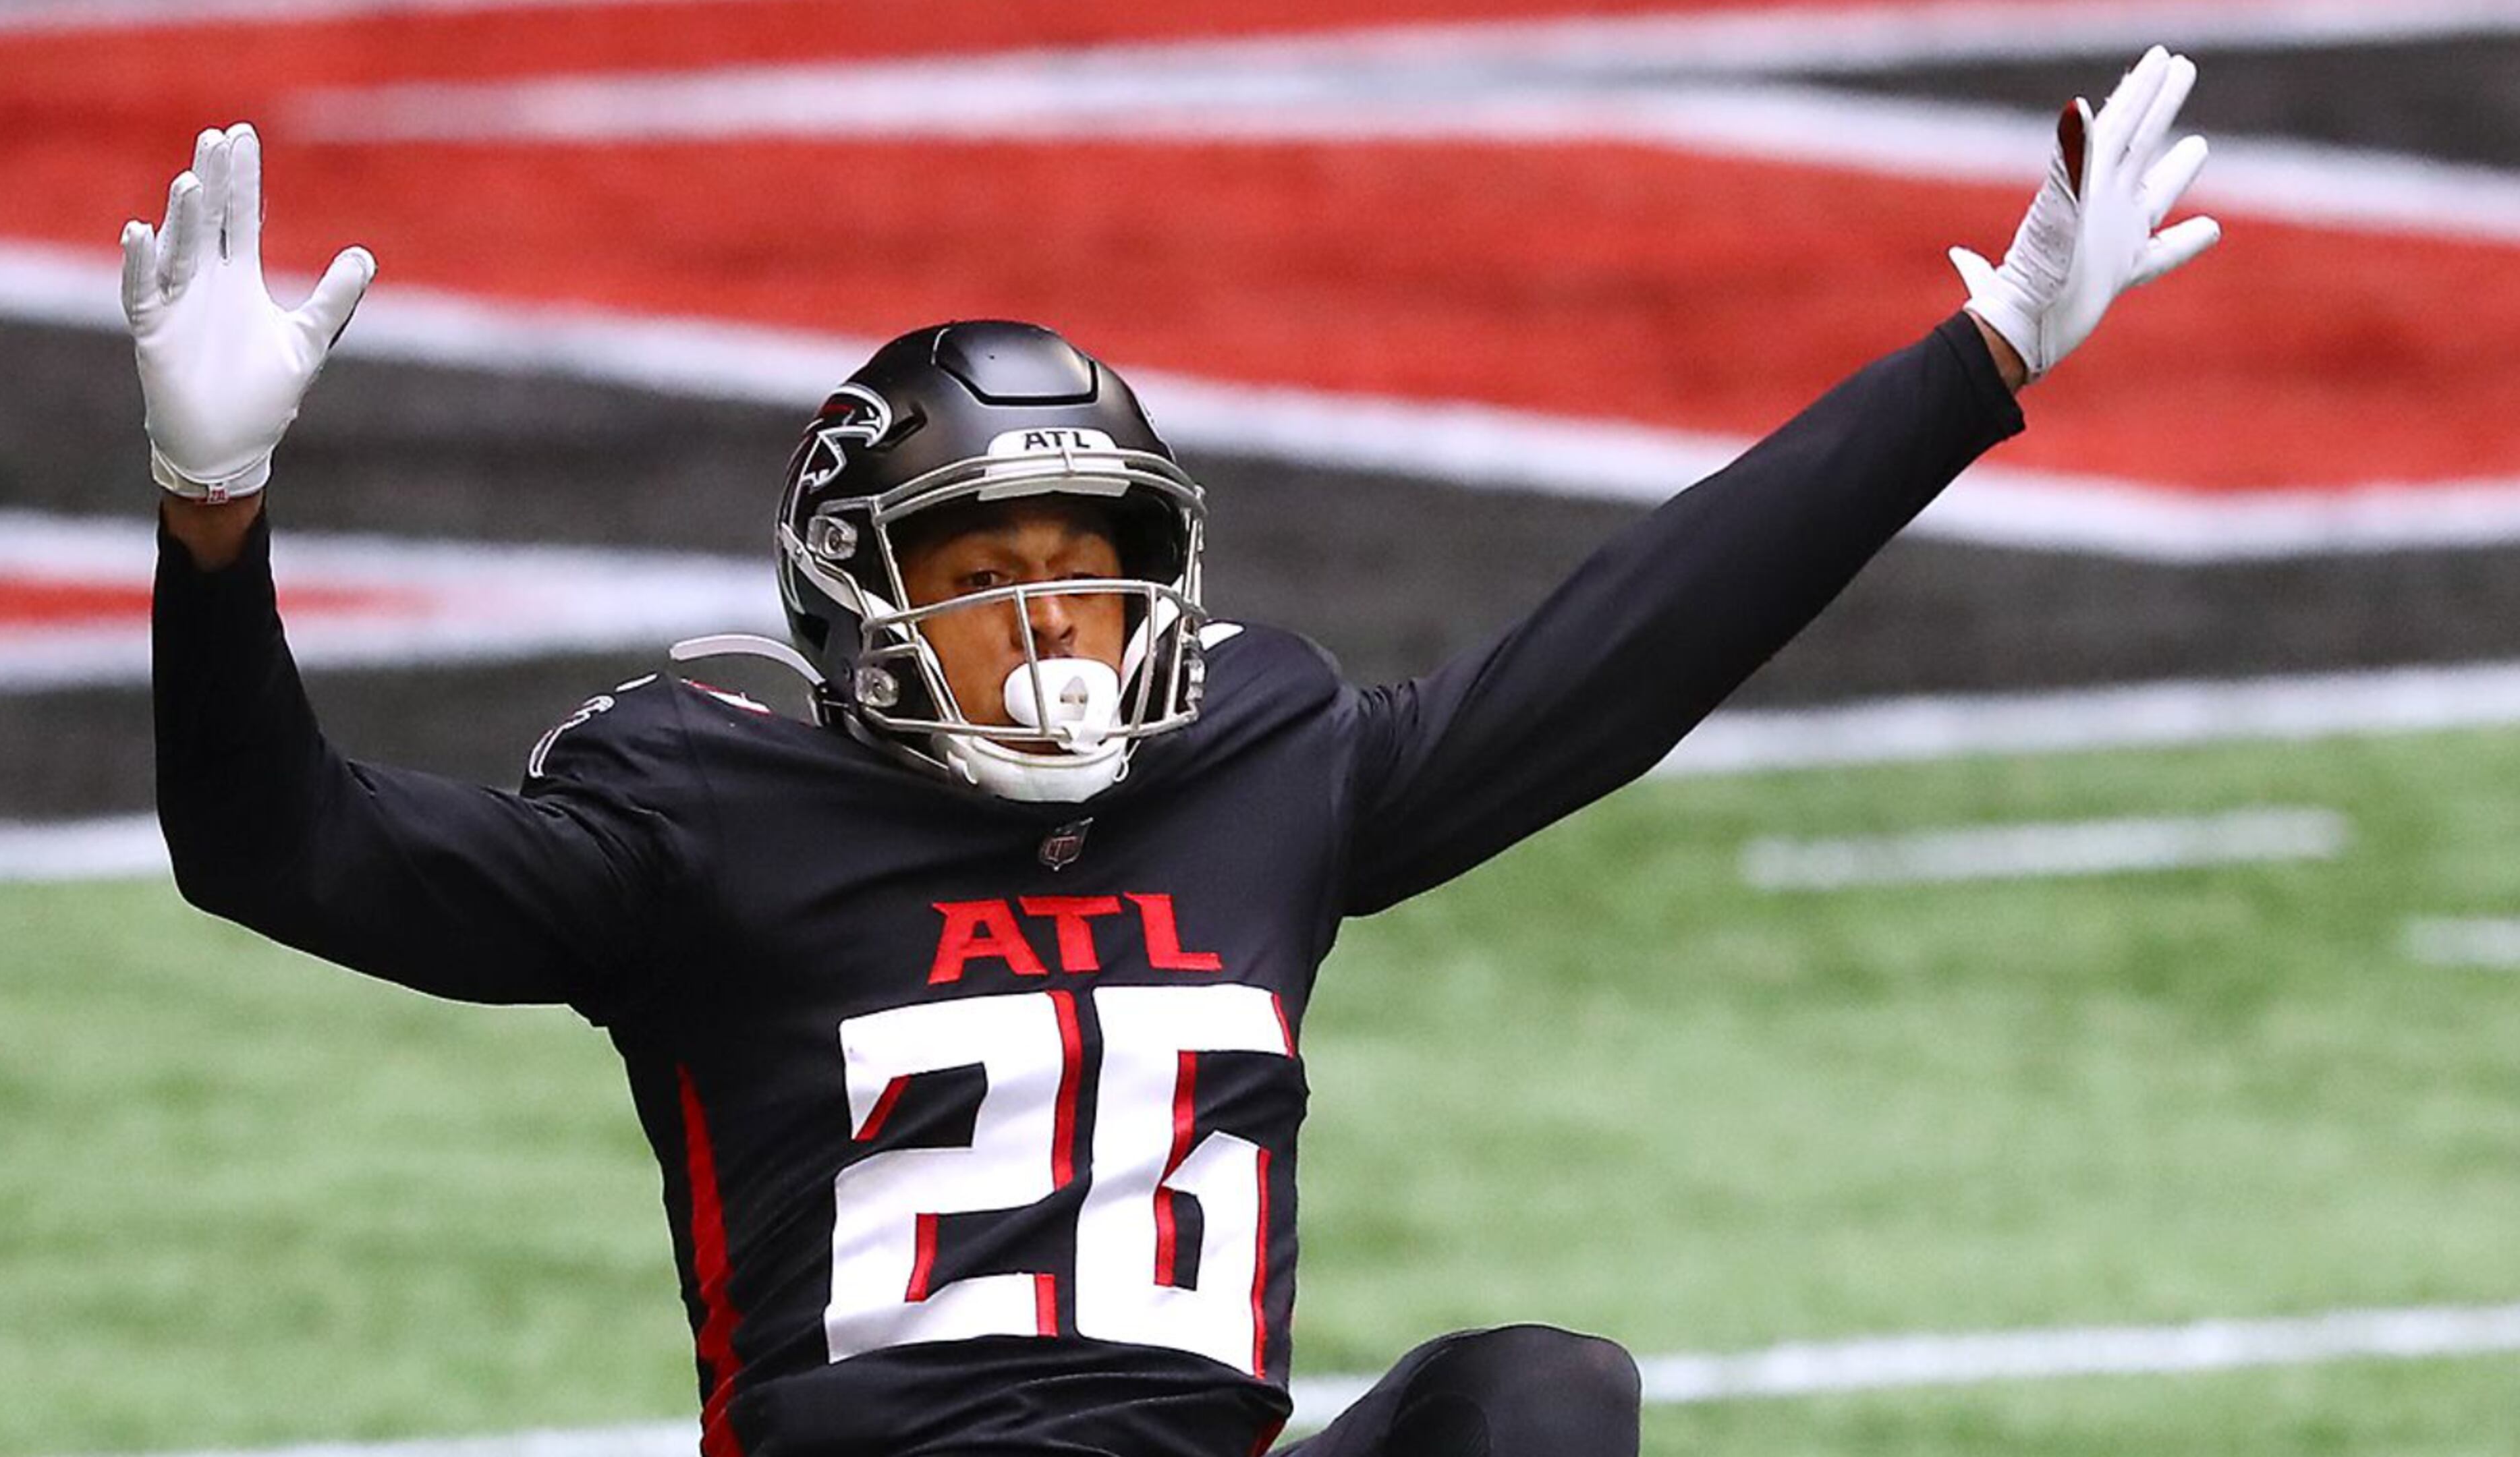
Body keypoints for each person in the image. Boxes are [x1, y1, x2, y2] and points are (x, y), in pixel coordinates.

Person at [130, 47, 2219, 1457]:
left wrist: (1982, 362)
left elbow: (1623, 658)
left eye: (1090, 560)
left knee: (1542, 1403)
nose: (1053, 618)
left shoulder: (1262, 761)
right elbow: (278, 849)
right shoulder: (705, 817)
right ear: (855, 600)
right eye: (984, 569)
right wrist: (213, 531)